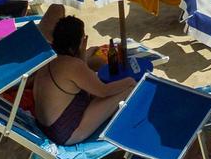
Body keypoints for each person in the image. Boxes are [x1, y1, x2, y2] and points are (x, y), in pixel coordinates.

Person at [32, 16, 136, 146]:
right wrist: (130, 81)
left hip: (45, 126)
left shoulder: (49, 58)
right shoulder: (72, 65)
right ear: (80, 41)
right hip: (64, 133)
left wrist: (82, 53)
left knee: (92, 92)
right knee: (128, 89)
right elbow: (103, 91)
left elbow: (83, 77)